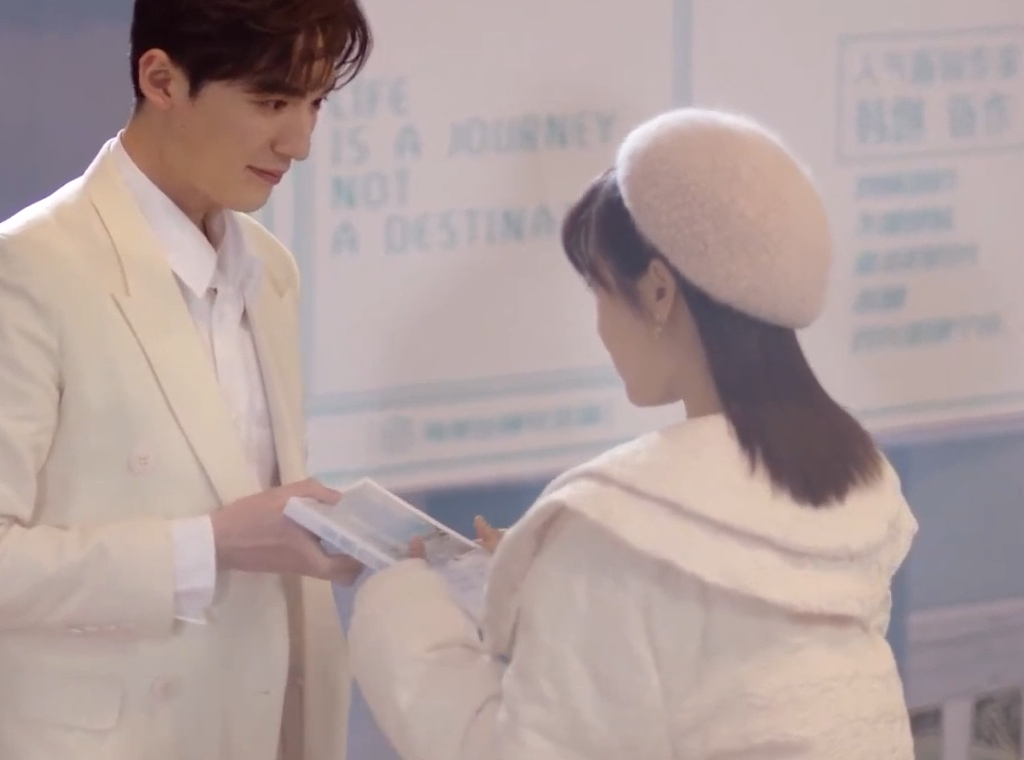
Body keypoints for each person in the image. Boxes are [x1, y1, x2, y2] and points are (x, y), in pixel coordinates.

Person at [345, 108, 919, 759]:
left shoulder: (615, 528)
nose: (599, 325)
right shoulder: (853, 484)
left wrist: (405, 602)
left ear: (658, 291)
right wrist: (551, 575)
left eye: (599, 291)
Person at [0, 1, 372, 758]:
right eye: (272, 102)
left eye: (315, 104)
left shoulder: (270, 269)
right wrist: (210, 546)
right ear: (161, 79)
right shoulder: (22, 271)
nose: (300, 143)